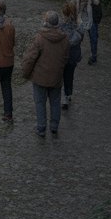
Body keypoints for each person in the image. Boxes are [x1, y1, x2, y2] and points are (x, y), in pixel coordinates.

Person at [21, 9, 69, 137]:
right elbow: (65, 58)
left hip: (40, 77)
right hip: (56, 77)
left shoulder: (40, 38)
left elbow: (30, 58)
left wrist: (25, 73)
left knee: (40, 103)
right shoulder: (64, 39)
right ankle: (54, 126)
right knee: (55, 102)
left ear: (46, 22)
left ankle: (41, 127)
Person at [68, 0, 101, 64]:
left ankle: (93, 57)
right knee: (77, 38)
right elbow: (70, 4)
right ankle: (77, 55)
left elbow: (97, 2)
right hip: (79, 19)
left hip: (91, 19)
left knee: (92, 38)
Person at [58, 1, 84, 110]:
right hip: (73, 55)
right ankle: (68, 95)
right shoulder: (78, 26)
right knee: (69, 76)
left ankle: (64, 96)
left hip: (62, 55)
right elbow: (80, 38)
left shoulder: (60, 25)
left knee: (62, 76)